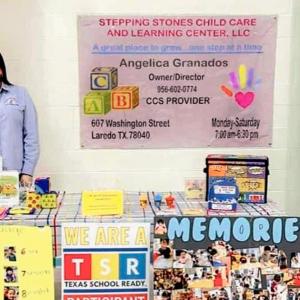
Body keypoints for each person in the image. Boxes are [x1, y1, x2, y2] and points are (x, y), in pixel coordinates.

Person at [0, 53, 39, 186]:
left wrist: (27, 171)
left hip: (12, 176)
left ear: (1, 70)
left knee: (13, 207)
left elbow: (31, 136)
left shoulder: (20, 94)